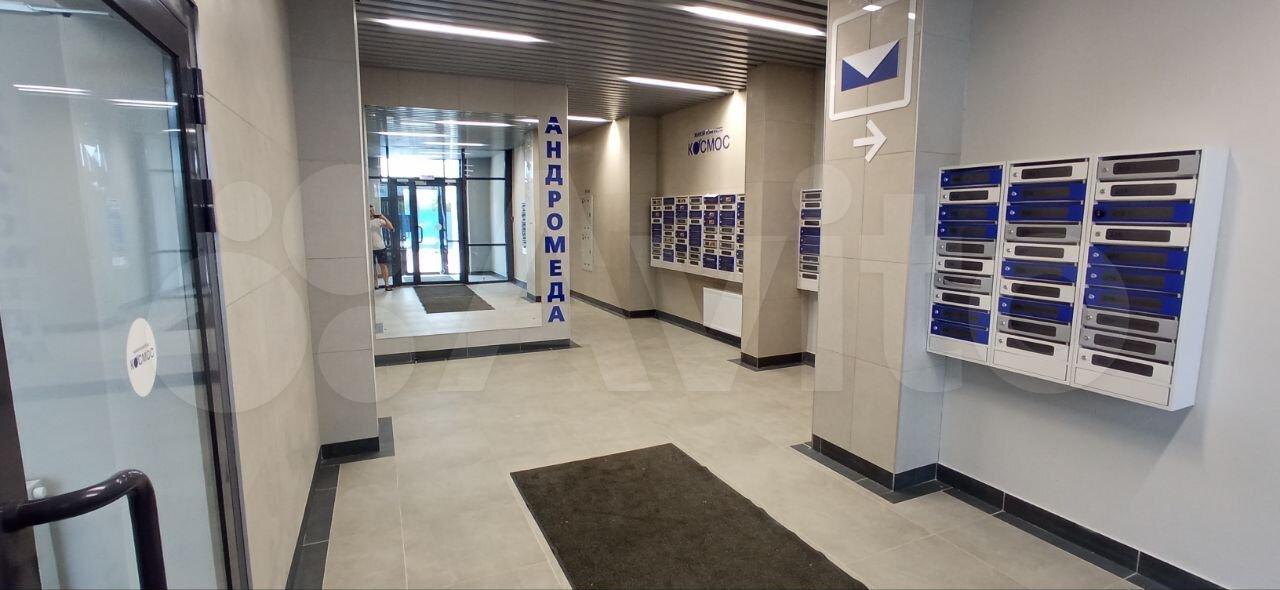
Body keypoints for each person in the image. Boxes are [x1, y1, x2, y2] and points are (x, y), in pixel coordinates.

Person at [368, 205, 395, 292]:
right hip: (369, 248)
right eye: (370, 211)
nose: (371, 212)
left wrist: (383, 217)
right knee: (372, 267)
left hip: (380, 246)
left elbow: (391, 227)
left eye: (372, 210)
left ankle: (387, 284)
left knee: (383, 266)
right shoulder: (364, 221)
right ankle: (375, 285)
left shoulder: (378, 220)